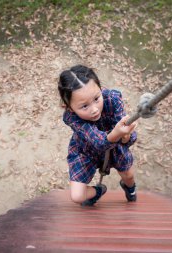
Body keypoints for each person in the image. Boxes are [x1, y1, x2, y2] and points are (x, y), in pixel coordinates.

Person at [58, 65, 138, 206]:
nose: (94, 109)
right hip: (85, 150)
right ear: (69, 107)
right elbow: (98, 141)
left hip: (116, 147)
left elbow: (128, 138)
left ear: (100, 89)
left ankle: (129, 188)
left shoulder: (112, 99)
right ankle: (99, 191)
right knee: (77, 196)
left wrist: (126, 137)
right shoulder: (71, 117)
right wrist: (117, 133)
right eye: (84, 106)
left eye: (96, 98)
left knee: (129, 176)